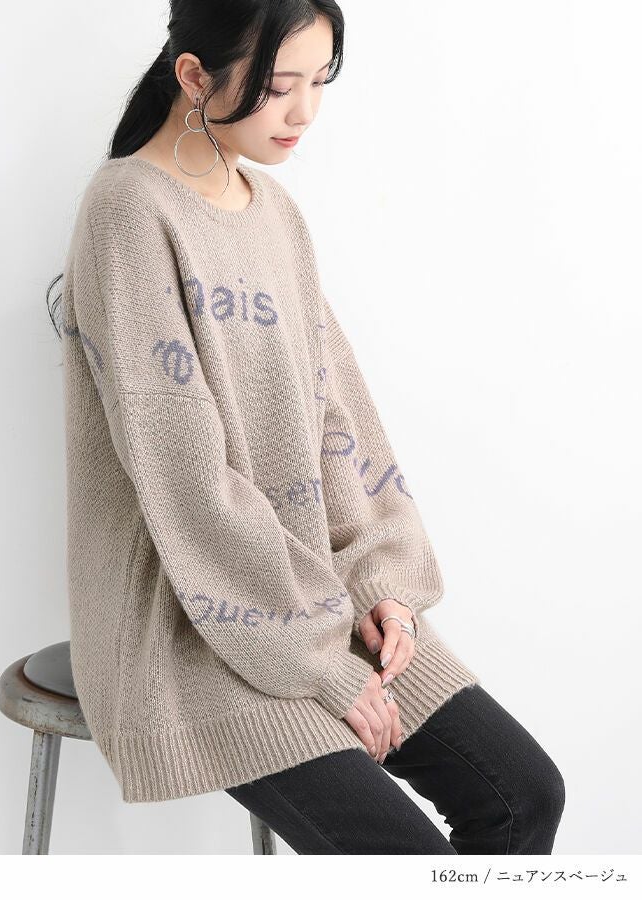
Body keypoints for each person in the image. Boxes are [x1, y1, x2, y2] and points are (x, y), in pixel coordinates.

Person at [50, 0, 565, 853]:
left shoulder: (274, 212)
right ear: (193, 75)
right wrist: (320, 660)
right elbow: (187, 482)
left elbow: (335, 416)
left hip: (310, 593)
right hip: (189, 619)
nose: (305, 112)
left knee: (525, 795)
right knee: (405, 858)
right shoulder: (128, 210)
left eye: (319, 82)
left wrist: (380, 584)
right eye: (279, 85)